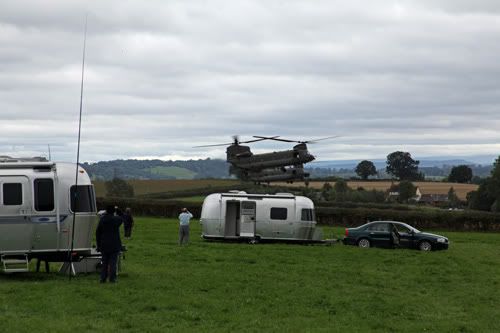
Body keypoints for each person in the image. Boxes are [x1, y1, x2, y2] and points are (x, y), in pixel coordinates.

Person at [96, 205, 123, 283]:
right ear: (113, 211)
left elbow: (98, 233)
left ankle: (103, 278)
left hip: (104, 244)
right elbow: (122, 217)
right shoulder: (116, 219)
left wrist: (98, 245)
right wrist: (118, 210)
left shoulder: (102, 220)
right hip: (114, 244)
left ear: (106, 211)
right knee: (113, 263)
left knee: (104, 262)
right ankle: (112, 279)